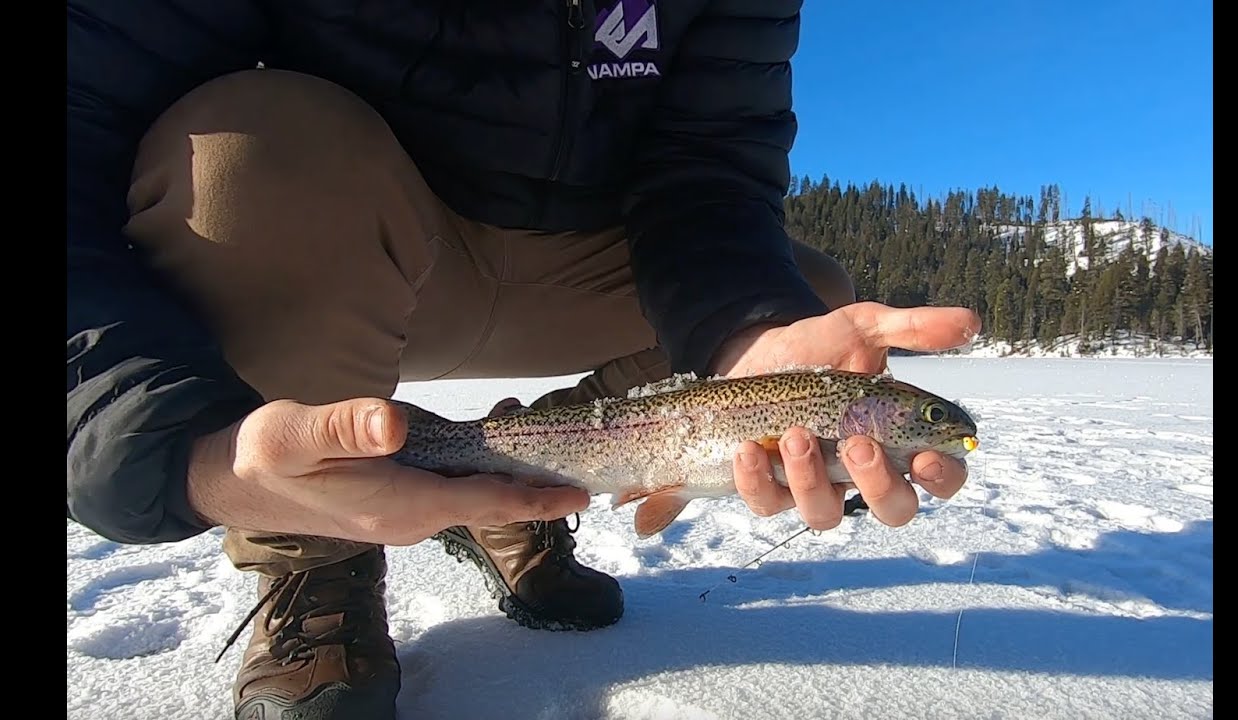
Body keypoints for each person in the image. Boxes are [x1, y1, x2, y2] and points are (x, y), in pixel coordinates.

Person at [67, 2, 979, 719]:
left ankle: (513, 494)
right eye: (932, 421)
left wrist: (753, 326)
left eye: (931, 423)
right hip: (350, 246)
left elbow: (708, 171)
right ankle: (313, 546)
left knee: (802, 299)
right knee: (242, 145)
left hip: (585, 271)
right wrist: (179, 455)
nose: (937, 427)